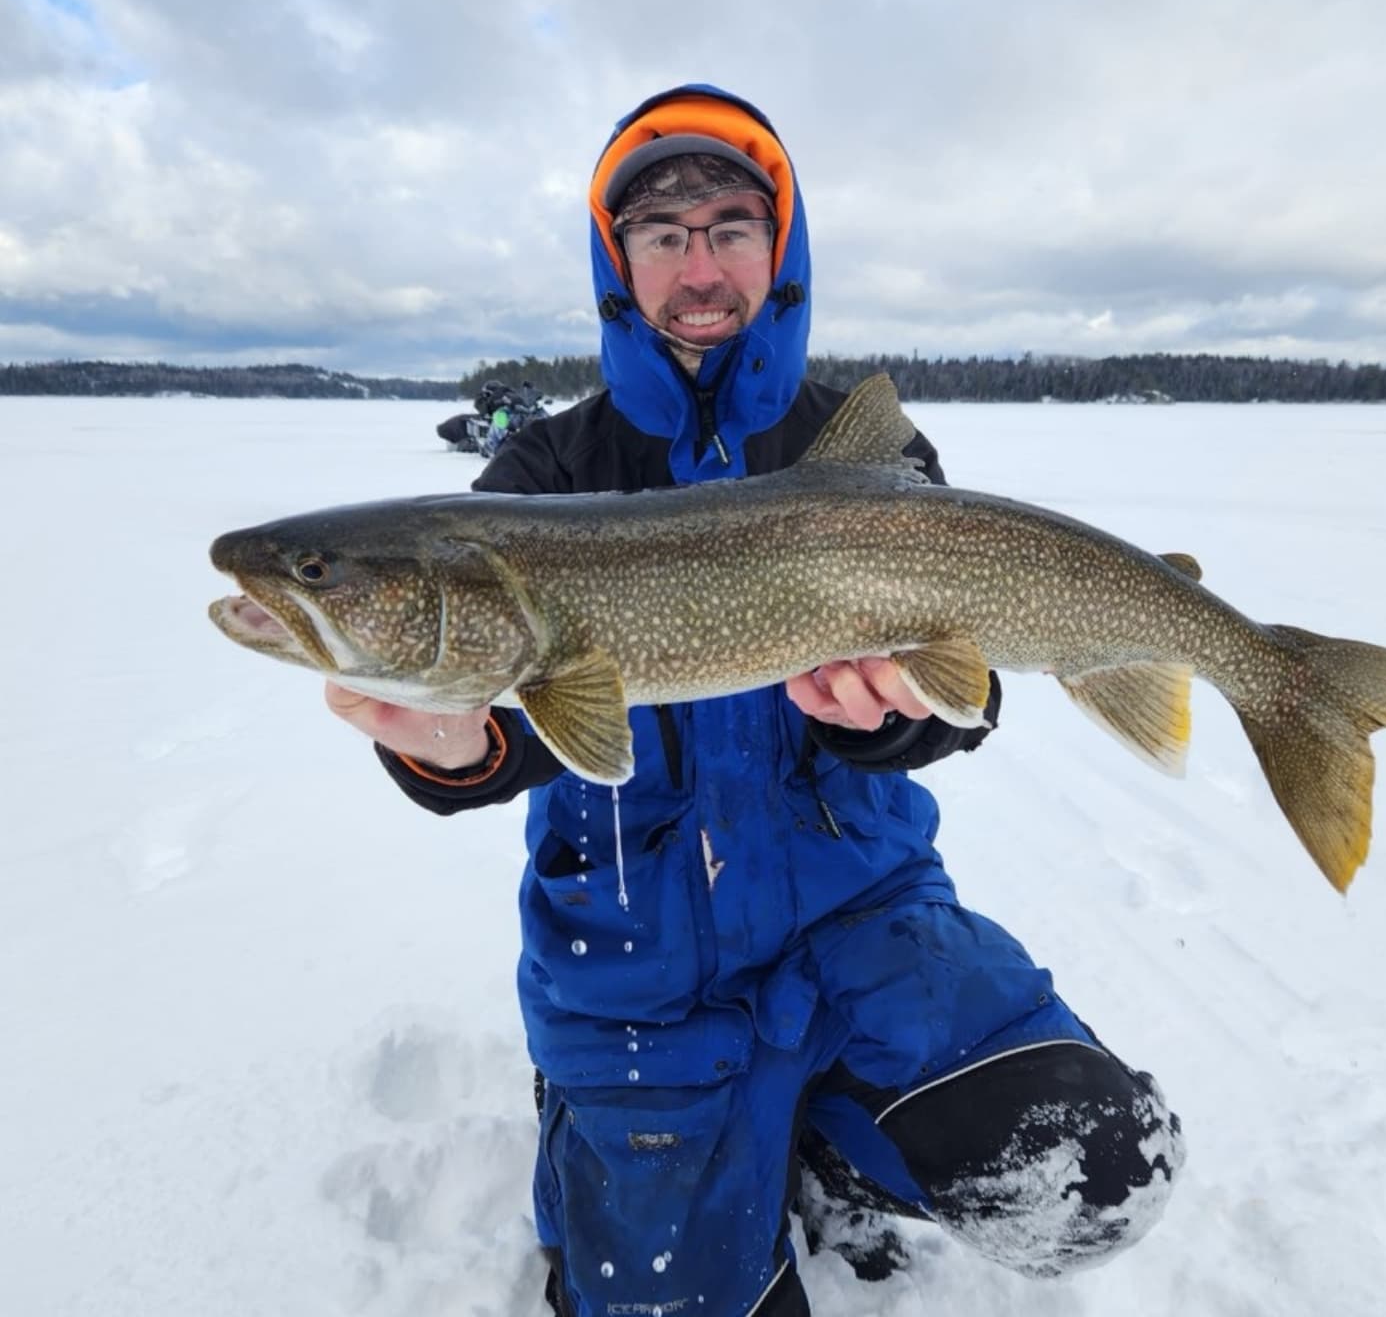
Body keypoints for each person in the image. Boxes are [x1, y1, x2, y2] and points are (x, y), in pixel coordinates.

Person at [325, 85, 1184, 1316]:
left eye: (731, 224)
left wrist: (896, 715)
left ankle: (826, 1137)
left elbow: (965, 691)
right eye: (662, 233)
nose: (699, 262)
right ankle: (647, 1120)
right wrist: (457, 746)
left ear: (778, 251)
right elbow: (511, 733)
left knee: (1094, 1171)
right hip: (638, 966)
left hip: (865, 918)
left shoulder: (859, 445)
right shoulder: (541, 478)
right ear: (618, 262)